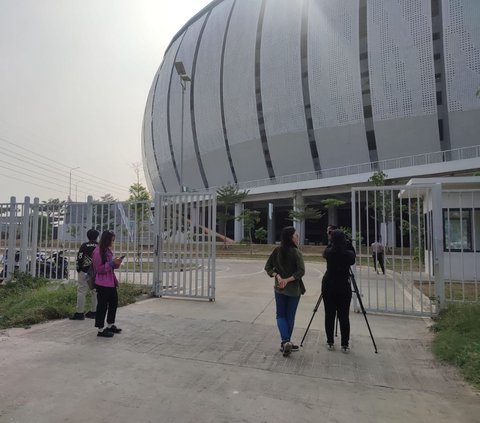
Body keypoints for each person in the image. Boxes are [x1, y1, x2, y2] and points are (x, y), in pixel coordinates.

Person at [265, 226, 306, 357]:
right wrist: (288, 280)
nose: (298, 237)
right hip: (294, 290)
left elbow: (268, 267)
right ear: (290, 237)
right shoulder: (296, 252)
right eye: (296, 235)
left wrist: (277, 276)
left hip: (279, 289)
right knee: (290, 316)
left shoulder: (277, 250)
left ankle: (285, 341)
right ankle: (286, 341)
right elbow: (301, 271)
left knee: (280, 315)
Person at [322, 229, 356, 353]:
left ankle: (330, 341)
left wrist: (332, 242)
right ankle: (345, 344)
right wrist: (348, 243)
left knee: (329, 314)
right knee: (344, 315)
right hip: (343, 286)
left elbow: (326, 250)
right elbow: (353, 257)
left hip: (329, 285)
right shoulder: (348, 254)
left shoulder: (329, 252)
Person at [92, 230, 124, 338]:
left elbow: (110, 266)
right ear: (107, 240)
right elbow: (99, 269)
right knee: (102, 306)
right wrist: (111, 263)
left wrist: (116, 263)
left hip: (111, 282)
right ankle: (100, 329)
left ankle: (110, 325)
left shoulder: (108, 251)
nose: (113, 242)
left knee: (113, 303)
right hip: (102, 283)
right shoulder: (98, 251)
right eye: (112, 240)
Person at [70, 229, 100, 320]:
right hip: (96, 272)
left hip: (84, 271)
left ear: (87, 236)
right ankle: (94, 312)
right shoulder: (99, 246)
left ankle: (79, 313)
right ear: (97, 237)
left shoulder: (84, 245)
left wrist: (79, 269)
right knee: (95, 291)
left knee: (81, 291)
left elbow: (80, 257)